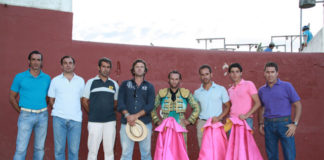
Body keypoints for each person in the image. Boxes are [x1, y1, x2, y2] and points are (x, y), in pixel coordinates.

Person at [9, 50, 51, 160]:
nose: (36, 62)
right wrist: (21, 111)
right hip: (25, 115)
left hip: (43, 116)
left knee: (39, 148)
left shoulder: (47, 78)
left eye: (39, 60)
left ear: (42, 62)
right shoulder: (19, 77)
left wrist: (42, 107)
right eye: (33, 59)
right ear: (29, 61)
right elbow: (12, 97)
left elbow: (48, 97)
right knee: (21, 149)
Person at [258, 62, 302, 160]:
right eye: (268, 72)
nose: (270, 75)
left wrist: (295, 124)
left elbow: (298, 105)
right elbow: (261, 107)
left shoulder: (287, 86)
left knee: (289, 155)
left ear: (277, 73)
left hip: (285, 124)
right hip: (268, 125)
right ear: (264, 73)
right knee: (271, 156)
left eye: (272, 72)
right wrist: (261, 123)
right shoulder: (261, 90)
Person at [48, 56, 85, 160]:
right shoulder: (55, 80)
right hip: (58, 119)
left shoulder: (80, 81)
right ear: (61, 65)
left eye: (70, 63)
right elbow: (51, 99)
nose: (68, 65)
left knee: (74, 150)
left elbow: (82, 99)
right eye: (65, 63)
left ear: (74, 65)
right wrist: (58, 110)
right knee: (59, 150)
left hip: (76, 120)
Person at [118, 59, 155, 160]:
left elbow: (150, 105)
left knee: (146, 153)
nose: (139, 69)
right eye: (137, 67)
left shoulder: (149, 86)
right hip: (127, 123)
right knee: (126, 153)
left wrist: (135, 116)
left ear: (145, 70)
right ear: (133, 70)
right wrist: (128, 116)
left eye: (142, 67)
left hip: (145, 123)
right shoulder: (125, 84)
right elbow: (120, 102)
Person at [82, 57, 119, 160]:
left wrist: (108, 111)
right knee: (93, 151)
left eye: (108, 67)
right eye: (103, 66)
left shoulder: (114, 84)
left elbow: (116, 102)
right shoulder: (90, 82)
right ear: (99, 67)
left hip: (110, 122)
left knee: (109, 152)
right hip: (94, 122)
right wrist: (92, 113)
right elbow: (84, 101)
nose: (106, 69)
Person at [151, 70, 200, 146]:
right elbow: (152, 108)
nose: (174, 81)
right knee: (166, 149)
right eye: (172, 79)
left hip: (180, 124)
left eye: (176, 79)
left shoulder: (185, 93)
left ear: (179, 80)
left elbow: (197, 107)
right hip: (166, 125)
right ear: (169, 80)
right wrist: (157, 121)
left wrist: (190, 120)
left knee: (181, 150)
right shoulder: (162, 93)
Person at [194, 64, 231, 148]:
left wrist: (219, 118)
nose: (205, 77)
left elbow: (228, 106)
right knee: (203, 151)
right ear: (200, 76)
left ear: (211, 74)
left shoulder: (221, 89)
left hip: (216, 122)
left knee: (218, 150)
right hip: (202, 123)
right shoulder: (197, 92)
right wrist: (197, 121)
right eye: (202, 75)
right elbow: (195, 108)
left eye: (207, 74)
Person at [227, 63, 261, 129]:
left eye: (237, 72)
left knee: (245, 140)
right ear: (229, 74)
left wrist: (246, 115)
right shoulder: (230, 90)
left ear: (241, 73)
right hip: (232, 121)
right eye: (232, 72)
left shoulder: (248, 84)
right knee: (233, 140)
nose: (234, 74)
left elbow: (258, 103)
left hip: (245, 120)